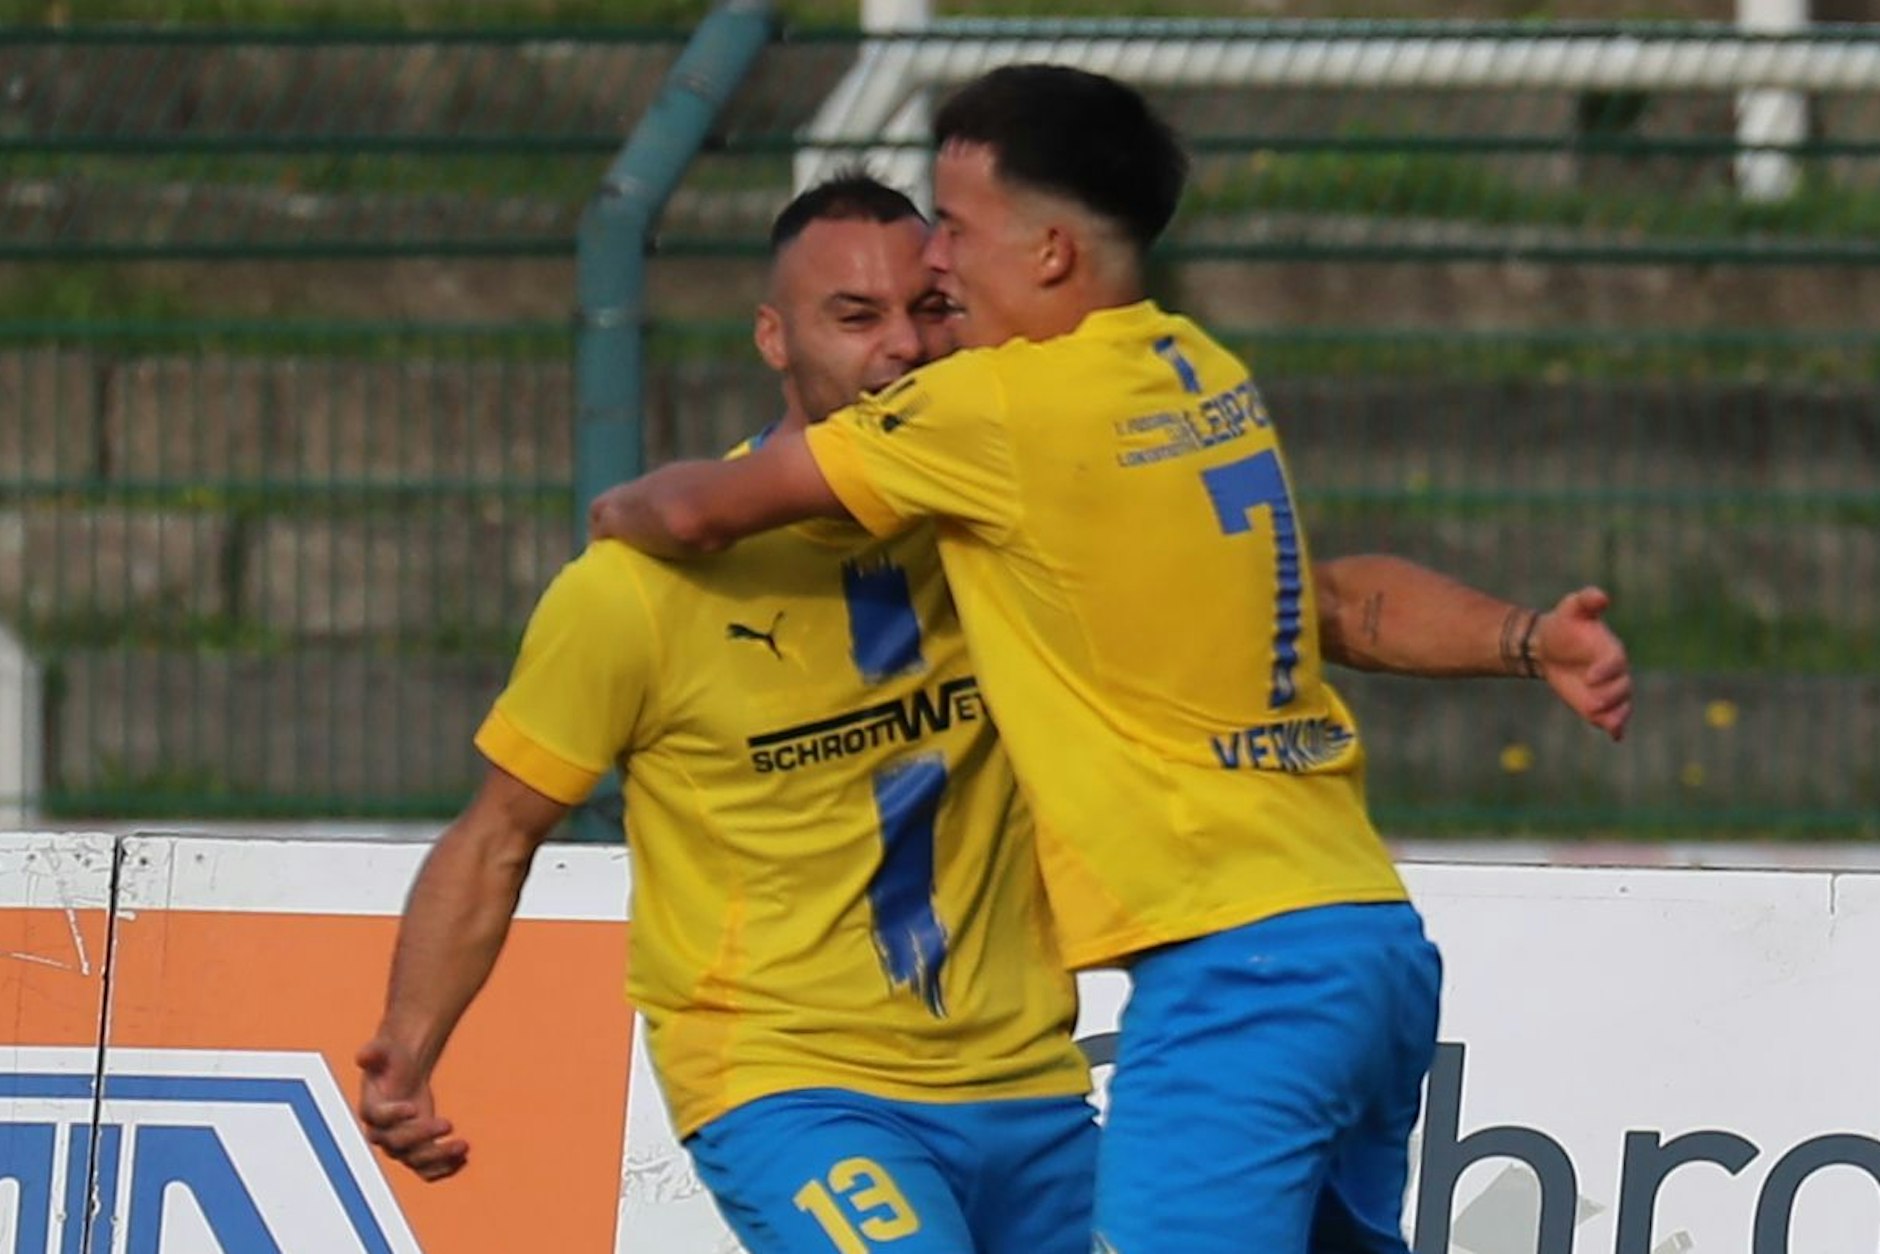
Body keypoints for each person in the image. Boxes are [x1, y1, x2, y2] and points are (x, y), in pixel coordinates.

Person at [585, 69, 1633, 1253]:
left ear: (1044, 253)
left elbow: (703, 515)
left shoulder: (992, 409)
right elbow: (1337, 603)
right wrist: (1524, 637)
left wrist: (617, 508)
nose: (933, 259)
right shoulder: (1197, 375)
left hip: (1237, 984)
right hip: (1364, 944)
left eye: (956, 228)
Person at [357, 175, 1099, 1254]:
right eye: (854, 317)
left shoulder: (1008, 531)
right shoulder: (638, 590)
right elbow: (498, 835)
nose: (900, 345)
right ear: (772, 338)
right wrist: (407, 1050)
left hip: (1030, 1086)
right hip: (792, 1085)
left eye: (926, 309)